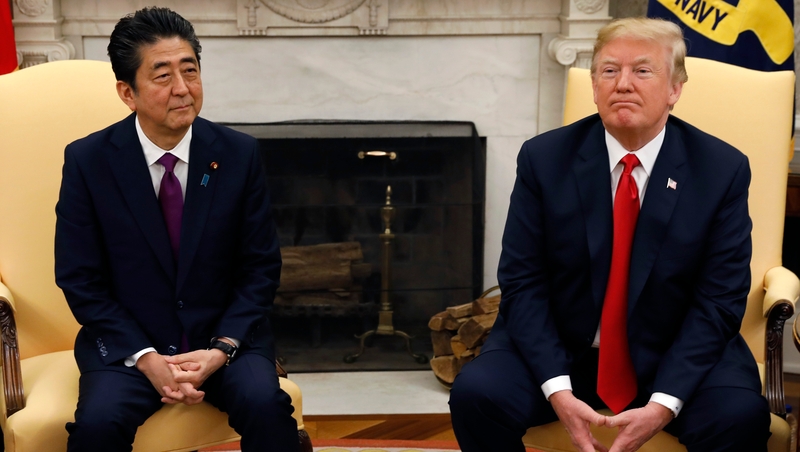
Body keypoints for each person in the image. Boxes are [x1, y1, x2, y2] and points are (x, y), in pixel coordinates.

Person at [449, 17, 770, 452]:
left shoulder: (720, 170)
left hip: (673, 353)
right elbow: (523, 283)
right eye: (609, 70)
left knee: (738, 418)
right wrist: (559, 391)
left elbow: (719, 300)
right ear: (595, 85)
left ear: (675, 89)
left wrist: (663, 404)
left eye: (642, 70)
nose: (623, 84)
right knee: (477, 395)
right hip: (565, 350)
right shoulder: (545, 159)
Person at [54, 7, 298, 451]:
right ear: (127, 92)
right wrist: (147, 358)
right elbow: (80, 278)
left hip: (223, 343)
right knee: (96, 426)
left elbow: (260, 267)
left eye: (191, 70)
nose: (183, 89)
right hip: (130, 348)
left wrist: (221, 347)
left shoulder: (238, 154)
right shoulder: (89, 162)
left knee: (266, 406)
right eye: (163, 76)